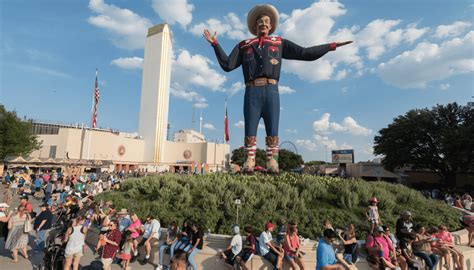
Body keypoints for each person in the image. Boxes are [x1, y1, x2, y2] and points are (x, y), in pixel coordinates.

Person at [203, 4, 352, 174]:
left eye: (267, 21)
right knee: (250, 129)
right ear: (255, 26)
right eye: (260, 21)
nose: (264, 24)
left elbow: (305, 53)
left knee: (272, 129)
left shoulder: (279, 43)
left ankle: (273, 163)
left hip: (272, 91)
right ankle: (248, 163)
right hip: (252, 91)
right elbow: (228, 65)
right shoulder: (244, 45)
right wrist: (215, 44)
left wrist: (331, 46)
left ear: (271, 26)